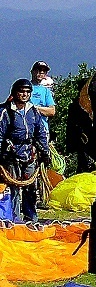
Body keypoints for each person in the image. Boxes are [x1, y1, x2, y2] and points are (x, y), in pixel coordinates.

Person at [0, 80, 51, 225]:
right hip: (11, 156)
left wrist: (45, 152)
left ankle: (31, 218)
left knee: (30, 188)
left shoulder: (33, 111)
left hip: (29, 155)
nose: (24, 94)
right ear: (15, 92)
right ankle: (14, 219)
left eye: (27, 92)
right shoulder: (5, 112)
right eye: (22, 91)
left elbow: (40, 132)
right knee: (13, 188)